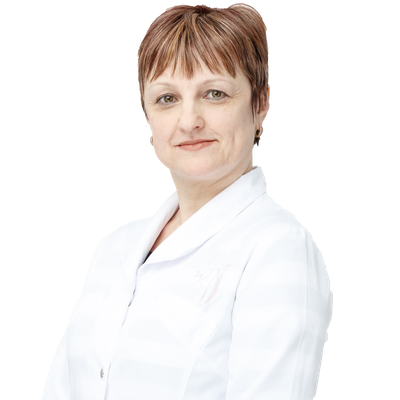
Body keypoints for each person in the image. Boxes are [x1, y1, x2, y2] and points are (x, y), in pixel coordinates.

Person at [42, 3, 334, 399]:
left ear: (260, 104)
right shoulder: (115, 248)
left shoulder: (277, 249)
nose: (189, 121)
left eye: (215, 94)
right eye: (167, 98)